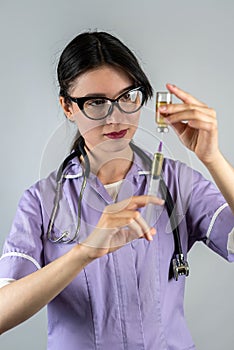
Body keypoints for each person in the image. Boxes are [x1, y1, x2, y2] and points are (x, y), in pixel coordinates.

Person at [0, 31, 233, 350]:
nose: (116, 116)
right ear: (68, 107)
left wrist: (213, 158)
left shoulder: (177, 183)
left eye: (127, 96)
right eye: (96, 102)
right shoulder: (42, 202)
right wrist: (83, 253)